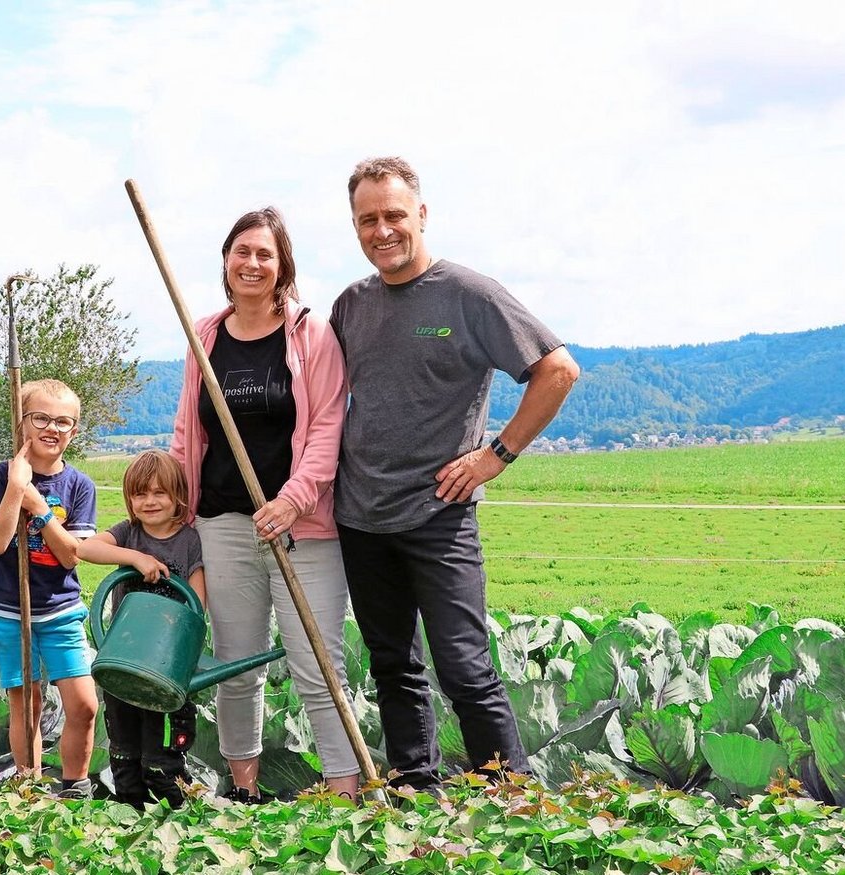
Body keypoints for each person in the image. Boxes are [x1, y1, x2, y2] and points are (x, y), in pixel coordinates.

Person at [329, 157, 582, 793]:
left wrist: (495, 455)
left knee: (464, 665)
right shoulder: (350, 306)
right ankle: (418, 785)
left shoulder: (470, 295)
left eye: (393, 215)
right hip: (359, 513)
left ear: (421, 214)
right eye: (368, 220)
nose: (382, 230)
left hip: (440, 512)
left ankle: (511, 794)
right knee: (392, 663)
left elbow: (558, 371)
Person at [170, 206, 360, 801]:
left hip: (302, 525)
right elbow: (186, 431)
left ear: (283, 267)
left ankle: (345, 787)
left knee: (316, 664)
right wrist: (174, 498)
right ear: (226, 262)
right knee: (237, 662)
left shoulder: (312, 334)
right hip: (223, 521)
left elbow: (329, 427)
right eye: (242, 252)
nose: (252, 263)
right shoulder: (203, 335)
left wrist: (293, 500)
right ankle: (244, 787)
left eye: (265, 255)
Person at [0, 378, 101, 799]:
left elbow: (71, 555)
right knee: (27, 703)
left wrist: (39, 507)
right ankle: (29, 784)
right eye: (41, 418)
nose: (53, 428)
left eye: (63, 421)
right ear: (22, 423)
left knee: (84, 704)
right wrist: (17, 488)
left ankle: (75, 785)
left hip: (61, 608)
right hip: (10, 608)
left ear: (75, 429)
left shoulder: (80, 486)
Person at [76, 449, 206, 808]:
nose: (149, 502)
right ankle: (129, 819)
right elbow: (85, 549)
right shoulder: (127, 534)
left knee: (160, 761)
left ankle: (183, 816)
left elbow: (198, 605)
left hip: (166, 669)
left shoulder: (190, 540)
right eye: (140, 494)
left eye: (159, 492)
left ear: (177, 496)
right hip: (123, 663)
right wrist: (135, 558)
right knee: (123, 756)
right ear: (130, 499)